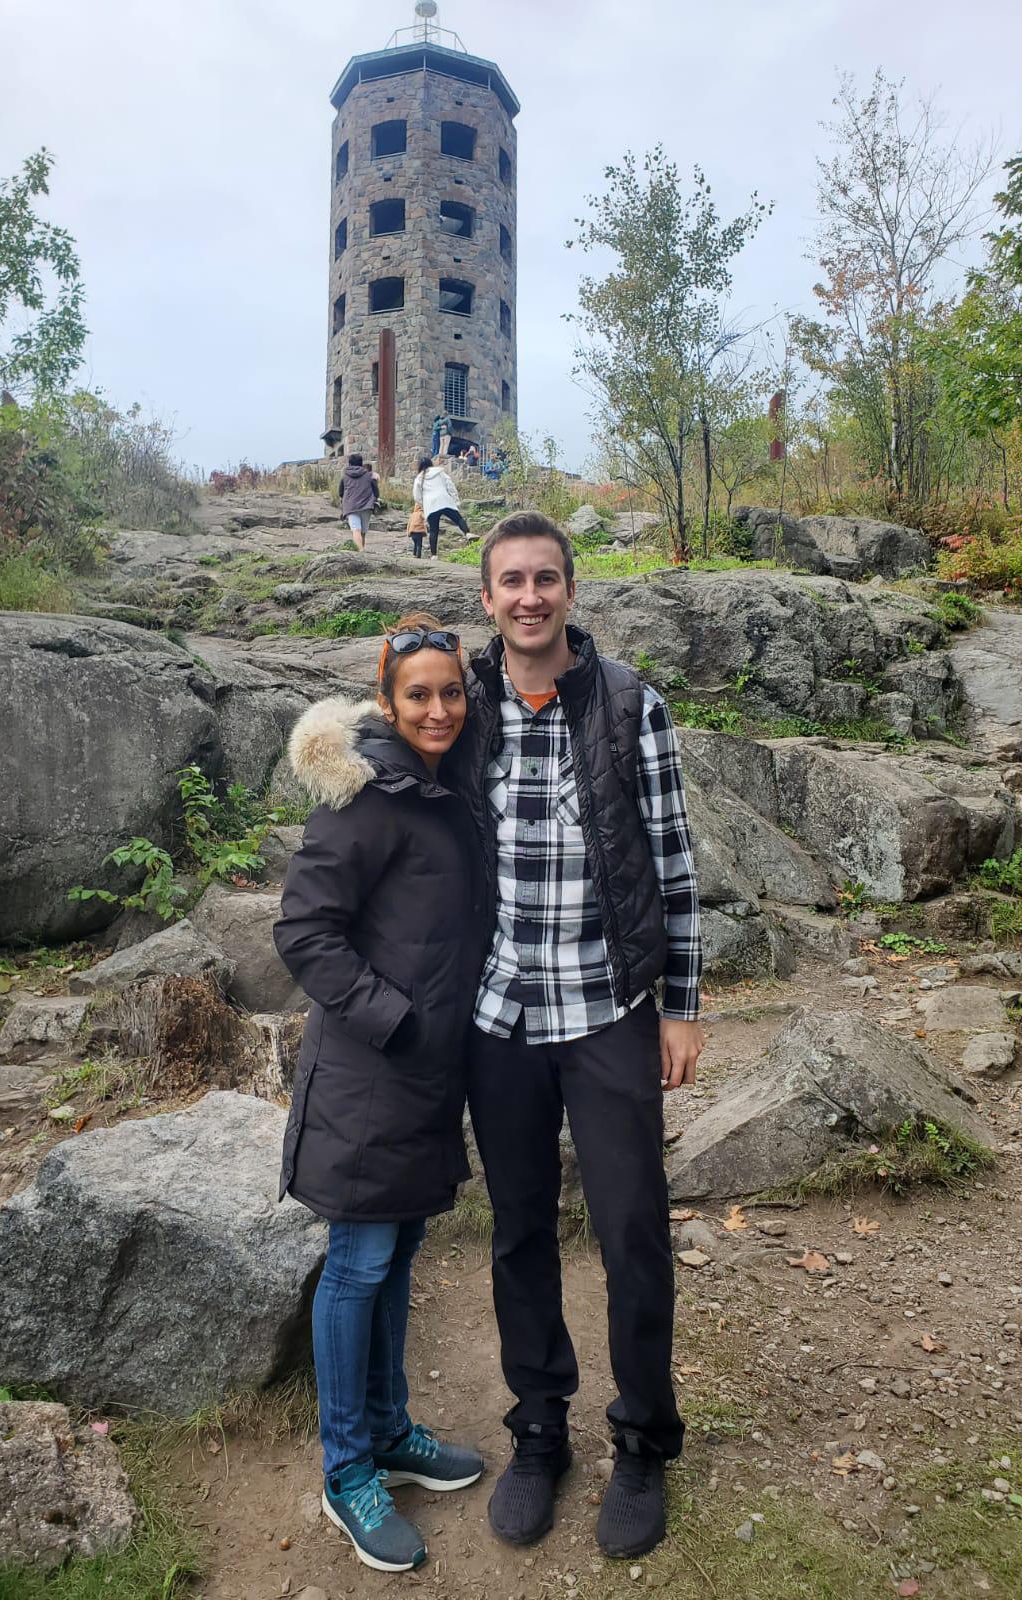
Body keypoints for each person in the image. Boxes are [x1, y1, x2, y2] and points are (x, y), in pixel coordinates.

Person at [447, 510, 703, 1561]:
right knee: (518, 1231)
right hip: (500, 1017)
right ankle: (539, 1429)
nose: (529, 597)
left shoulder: (631, 703)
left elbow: (675, 862)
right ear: (487, 596)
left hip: (607, 1010)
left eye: (545, 578)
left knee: (634, 1228)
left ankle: (641, 1439)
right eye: (510, 581)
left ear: (571, 588)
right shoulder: (459, 706)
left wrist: (682, 1002)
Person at [274, 613, 488, 1574]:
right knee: (358, 1264)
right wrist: (395, 1020)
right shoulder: (361, 799)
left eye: (450, 692)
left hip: (426, 1074)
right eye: (418, 695)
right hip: (370, 1074)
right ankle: (347, 1468)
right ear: (386, 699)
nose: (437, 709)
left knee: (398, 1255)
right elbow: (305, 933)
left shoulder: (443, 788)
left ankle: (393, 1432)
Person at [413, 456, 469, 558]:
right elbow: (450, 486)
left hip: (431, 504)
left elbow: (417, 496)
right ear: (430, 463)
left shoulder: (419, 478)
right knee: (458, 518)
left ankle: (434, 555)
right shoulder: (439, 472)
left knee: (434, 530)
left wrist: (424, 505)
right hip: (445, 500)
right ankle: (468, 533)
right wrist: (455, 500)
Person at [338, 453, 379, 551]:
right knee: (363, 532)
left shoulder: (344, 477)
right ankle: (361, 551)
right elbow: (376, 492)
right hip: (367, 506)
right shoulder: (369, 476)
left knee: (356, 530)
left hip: (351, 507)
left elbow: (340, 492)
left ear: (350, 464)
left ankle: (360, 553)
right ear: (361, 464)